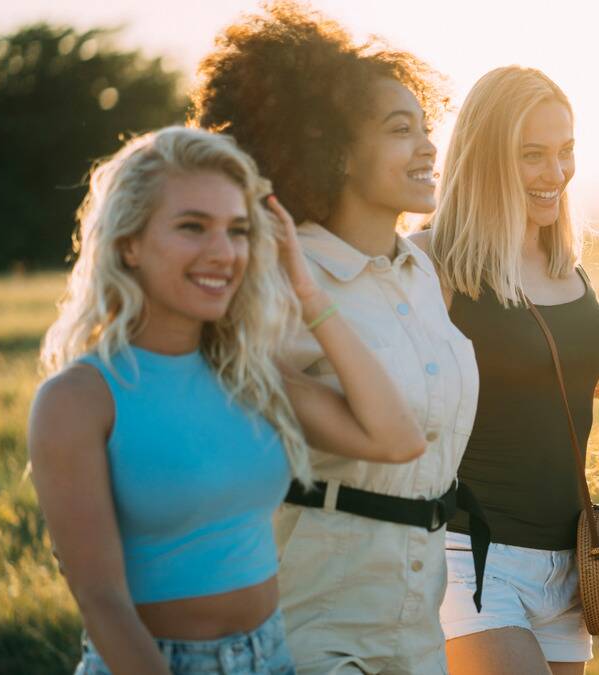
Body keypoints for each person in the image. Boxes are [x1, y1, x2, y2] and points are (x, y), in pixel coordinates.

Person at [29, 125, 426, 675]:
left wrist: (310, 293)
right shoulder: (78, 400)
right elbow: (101, 600)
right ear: (129, 242)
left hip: (273, 656)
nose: (222, 253)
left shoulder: (250, 375)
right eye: (193, 227)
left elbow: (398, 440)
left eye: (239, 231)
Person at [192, 4, 481, 673]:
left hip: (419, 619)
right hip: (318, 613)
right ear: (337, 151)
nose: (428, 146)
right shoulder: (280, 280)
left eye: (427, 126)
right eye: (400, 129)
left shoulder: (422, 276)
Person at [410, 66, 599, 675]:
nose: (556, 175)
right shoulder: (432, 261)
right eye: (533, 155)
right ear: (485, 158)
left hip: (571, 557)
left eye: (566, 152)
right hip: (468, 555)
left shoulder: (567, 264)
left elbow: (551, 374)